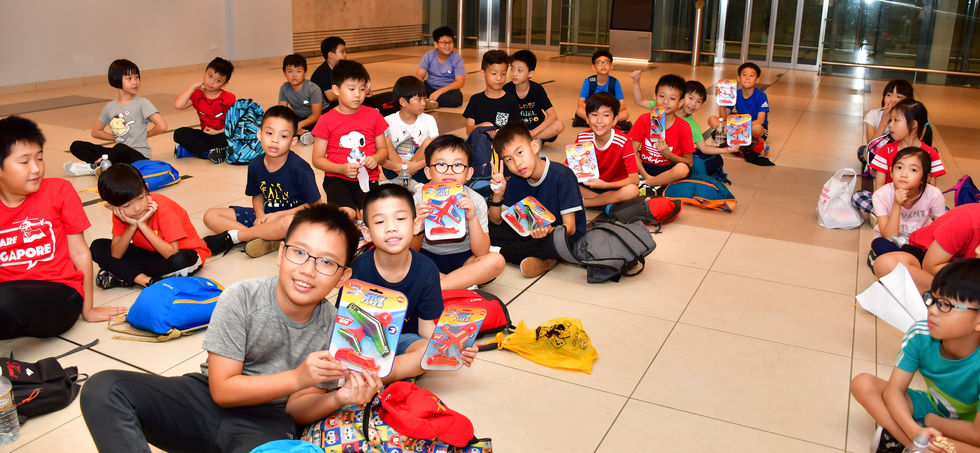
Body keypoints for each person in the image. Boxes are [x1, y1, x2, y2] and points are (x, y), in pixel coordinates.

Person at [81, 205, 382, 451]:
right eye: (299, 252)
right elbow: (223, 390)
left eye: (327, 262)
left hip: (267, 424)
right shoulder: (242, 297)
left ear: (343, 277)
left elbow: (296, 410)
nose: (307, 269)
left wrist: (339, 398)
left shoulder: (337, 330)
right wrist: (298, 376)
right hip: (203, 400)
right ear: (280, 253)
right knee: (104, 388)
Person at [0, 116, 125, 339]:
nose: (36, 168)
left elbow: (79, 252)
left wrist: (88, 310)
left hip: (59, 294)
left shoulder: (59, 191)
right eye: (24, 162)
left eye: (39, 158)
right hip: (9, 294)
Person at [851, 258, 980, 453]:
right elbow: (893, 391)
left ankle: (903, 439)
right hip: (931, 408)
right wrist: (914, 431)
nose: (933, 310)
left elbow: (976, 434)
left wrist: (930, 421)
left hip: (965, 429)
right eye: (932, 300)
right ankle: (913, 443)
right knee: (862, 383)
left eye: (945, 305)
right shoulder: (920, 335)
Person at [352, 184, 477, 382]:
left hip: (406, 340)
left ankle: (379, 376)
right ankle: (384, 373)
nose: (391, 227)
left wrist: (454, 348)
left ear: (417, 225)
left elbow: (426, 328)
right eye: (379, 222)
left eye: (400, 219)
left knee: (429, 352)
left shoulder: (427, 270)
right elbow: (347, 322)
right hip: (366, 342)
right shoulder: (358, 269)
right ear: (366, 233)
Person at [202, 106, 322, 258]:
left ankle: (240, 236)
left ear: (293, 141)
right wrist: (259, 214)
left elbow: (316, 205)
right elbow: (257, 195)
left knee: (287, 223)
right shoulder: (255, 165)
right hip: (266, 216)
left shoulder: (300, 168)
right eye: (269, 133)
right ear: (259, 134)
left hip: (293, 218)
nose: (274, 140)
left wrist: (280, 215)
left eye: (283, 136)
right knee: (211, 215)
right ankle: (262, 238)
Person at [89, 163, 210, 288]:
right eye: (126, 205)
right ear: (111, 207)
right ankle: (145, 280)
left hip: (181, 254)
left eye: (141, 198)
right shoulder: (120, 214)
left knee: (181, 260)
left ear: (146, 189)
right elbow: (116, 254)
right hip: (150, 255)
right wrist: (131, 227)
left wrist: (143, 226)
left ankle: (124, 275)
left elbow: (172, 253)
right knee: (97, 247)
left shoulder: (163, 207)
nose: (136, 208)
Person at [488, 122, 586, 277]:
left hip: (559, 234)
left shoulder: (562, 176)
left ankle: (503, 252)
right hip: (530, 230)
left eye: (520, 153)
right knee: (485, 227)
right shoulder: (515, 180)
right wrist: (498, 195)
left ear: (534, 146)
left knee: (556, 240)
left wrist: (548, 230)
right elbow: (497, 221)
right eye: (509, 160)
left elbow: (571, 228)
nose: (517, 163)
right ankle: (544, 259)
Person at [411, 134, 505, 289]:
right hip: (426, 258)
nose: (449, 171)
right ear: (428, 172)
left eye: (457, 165)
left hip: (464, 260)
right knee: (399, 260)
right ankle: (458, 284)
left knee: (496, 261)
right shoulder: (418, 198)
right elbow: (411, 249)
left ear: (469, 173)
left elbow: (481, 252)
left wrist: (472, 217)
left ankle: (439, 287)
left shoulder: (475, 200)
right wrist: (417, 229)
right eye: (441, 164)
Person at [310, 60, 392, 219]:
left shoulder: (373, 115)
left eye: (362, 89)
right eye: (352, 89)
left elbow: (383, 150)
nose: (358, 94)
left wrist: (375, 158)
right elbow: (317, 159)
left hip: (368, 177)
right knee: (346, 214)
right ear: (336, 90)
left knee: (369, 215)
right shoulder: (326, 120)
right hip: (337, 179)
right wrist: (341, 168)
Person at [65, 59, 167, 176]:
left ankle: (98, 167)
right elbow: (96, 132)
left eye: (137, 77)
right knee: (76, 146)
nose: (135, 82)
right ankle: (102, 166)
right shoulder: (110, 107)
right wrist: (117, 137)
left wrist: (145, 135)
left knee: (121, 148)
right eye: (129, 78)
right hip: (118, 152)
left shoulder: (143, 103)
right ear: (116, 80)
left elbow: (162, 126)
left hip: (138, 156)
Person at [854, 100, 945, 215]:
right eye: (890, 120)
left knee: (943, 209)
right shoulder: (885, 150)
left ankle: (910, 217)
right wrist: (884, 208)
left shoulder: (930, 153)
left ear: (913, 125)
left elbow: (930, 189)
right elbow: (879, 187)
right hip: (889, 203)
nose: (890, 125)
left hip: (918, 207)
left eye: (896, 120)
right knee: (858, 196)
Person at [874, 202, 980, 293]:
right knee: (886, 264)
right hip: (926, 258)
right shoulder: (965, 220)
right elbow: (930, 266)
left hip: (963, 276)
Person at [867, 147, 946, 267]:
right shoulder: (880, 195)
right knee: (880, 244)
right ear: (891, 172)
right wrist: (897, 205)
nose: (904, 174)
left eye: (913, 170)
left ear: (926, 178)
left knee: (940, 250)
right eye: (899, 167)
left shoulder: (934, 194)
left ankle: (897, 263)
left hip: (919, 243)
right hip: (892, 242)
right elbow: (888, 236)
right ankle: (911, 262)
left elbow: (941, 229)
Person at [631, 74, 738, 157]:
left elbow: (704, 148)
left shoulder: (691, 125)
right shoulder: (663, 107)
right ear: (681, 97)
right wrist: (636, 82)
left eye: (699, 101)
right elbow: (639, 101)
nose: (693, 104)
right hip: (651, 156)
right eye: (690, 98)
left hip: (671, 159)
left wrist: (727, 150)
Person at [628, 74, 694, 192]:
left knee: (682, 169)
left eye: (672, 99)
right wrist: (645, 174)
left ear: (680, 103)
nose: (665, 102)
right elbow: (632, 151)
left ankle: (648, 184)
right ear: (655, 97)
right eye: (661, 96)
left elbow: (689, 162)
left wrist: (668, 154)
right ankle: (654, 183)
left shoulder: (684, 127)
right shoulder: (644, 119)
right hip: (644, 167)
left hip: (668, 170)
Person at [575, 92, 639, 208]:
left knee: (632, 190)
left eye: (606, 115)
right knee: (562, 179)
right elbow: (570, 169)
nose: (599, 120)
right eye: (594, 115)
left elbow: (634, 179)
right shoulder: (582, 138)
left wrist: (605, 185)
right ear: (587, 119)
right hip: (590, 187)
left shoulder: (623, 141)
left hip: (614, 187)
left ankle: (587, 203)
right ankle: (605, 202)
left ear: (615, 120)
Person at [172, 57, 236, 163]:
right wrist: (192, 86)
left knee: (227, 140)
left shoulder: (229, 98)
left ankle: (196, 151)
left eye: (218, 80)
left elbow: (235, 124)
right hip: (205, 134)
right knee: (179, 133)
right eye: (210, 76)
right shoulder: (198, 94)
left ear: (224, 84)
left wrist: (217, 132)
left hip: (221, 134)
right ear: (204, 73)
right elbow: (178, 105)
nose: (211, 82)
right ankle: (211, 153)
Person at [381, 76, 439, 184]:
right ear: (403, 102)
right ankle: (408, 181)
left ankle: (404, 180)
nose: (423, 103)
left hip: (420, 169)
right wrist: (402, 167)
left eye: (424, 98)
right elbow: (381, 154)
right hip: (394, 169)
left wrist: (415, 166)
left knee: (430, 143)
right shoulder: (387, 121)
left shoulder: (429, 119)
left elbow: (437, 150)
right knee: (384, 140)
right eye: (419, 99)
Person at [503, 49, 564, 143]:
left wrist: (533, 133)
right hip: (517, 129)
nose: (514, 73)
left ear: (530, 73)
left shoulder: (537, 89)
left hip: (537, 128)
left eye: (519, 70)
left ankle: (529, 139)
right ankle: (531, 141)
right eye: (512, 69)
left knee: (559, 125)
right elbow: (502, 114)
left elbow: (552, 115)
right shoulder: (507, 89)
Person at [462, 50, 521, 137]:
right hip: (479, 144)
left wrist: (501, 133)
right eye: (494, 73)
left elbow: (517, 130)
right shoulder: (476, 99)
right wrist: (483, 127)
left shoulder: (510, 100)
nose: (499, 78)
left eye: (503, 74)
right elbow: (469, 131)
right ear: (483, 73)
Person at [707, 62, 769, 142]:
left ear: (757, 80)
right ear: (739, 78)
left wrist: (739, 126)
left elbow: (760, 120)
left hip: (753, 126)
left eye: (751, 75)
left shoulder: (761, 96)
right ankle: (737, 135)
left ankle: (729, 134)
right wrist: (722, 101)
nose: (747, 78)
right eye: (744, 75)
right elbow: (723, 117)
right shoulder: (735, 94)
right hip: (738, 126)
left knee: (757, 128)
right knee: (711, 119)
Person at [573, 50, 629, 128]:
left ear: (611, 66)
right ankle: (609, 123)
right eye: (599, 63)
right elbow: (580, 103)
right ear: (594, 67)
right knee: (579, 111)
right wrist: (596, 110)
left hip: (608, 112)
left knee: (625, 114)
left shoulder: (614, 82)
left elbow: (623, 105)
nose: (603, 65)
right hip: (593, 111)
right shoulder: (588, 81)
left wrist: (608, 110)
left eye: (606, 62)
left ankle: (592, 123)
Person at [277, 54, 323, 146]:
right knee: (280, 121)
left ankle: (299, 132)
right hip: (299, 117)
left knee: (322, 125)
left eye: (298, 71)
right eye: (290, 71)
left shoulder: (313, 88)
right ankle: (302, 133)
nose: (294, 75)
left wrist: (299, 125)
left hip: (317, 116)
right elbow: (282, 111)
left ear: (305, 72)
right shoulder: (284, 88)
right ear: (284, 73)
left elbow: (316, 115)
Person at [414, 26, 466, 108]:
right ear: (436, 44)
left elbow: (460, 82)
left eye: (450, 42)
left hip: (447, 90)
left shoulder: (457, 59)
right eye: (444, 43)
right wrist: (418, 91)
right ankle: (428, 100)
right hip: (430, 87)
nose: (448, 46)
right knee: (413, 93)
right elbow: (419, 76)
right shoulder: (429, 55)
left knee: (456, 99)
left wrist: (439, 92)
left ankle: (427, 101)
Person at [310, 36, 347, 109]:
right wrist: (354, 92)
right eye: (342, 52)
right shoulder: (322, 72)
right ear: (330, 54)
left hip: (339, 103)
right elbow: (332, 97)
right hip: (325, 108)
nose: (345, 54)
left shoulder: (342, 68)